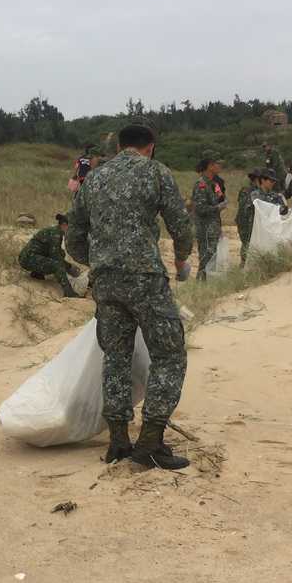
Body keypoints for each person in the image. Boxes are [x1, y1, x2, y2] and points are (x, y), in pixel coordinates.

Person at [66, 120, 193, 470]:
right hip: (146, 279)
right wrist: (182, 256)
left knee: (116, 358)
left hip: (106, 283)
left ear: (120, 145)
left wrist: (98, 261)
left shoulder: (94, 179)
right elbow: (181, 224)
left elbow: (73, 238)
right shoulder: (155, 172)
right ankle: (150, 442)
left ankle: (118, 441)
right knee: (169, 356)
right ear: (149, 146)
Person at [19, 214, 81, 297]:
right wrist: (69, 267)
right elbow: (55, 257)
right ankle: (69, 292)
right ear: (64, 225)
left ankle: (37, 274)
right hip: (28, 259)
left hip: (27, 257)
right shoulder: (55, 234)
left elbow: (56, 253)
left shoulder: (55, 231)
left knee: (61, 253)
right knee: (57, 265)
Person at [191, 150, 227, 278]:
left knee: (212, 260)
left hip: (213, 228)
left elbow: (220, 198)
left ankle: (207, 287)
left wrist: (222, 203)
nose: (220, 166)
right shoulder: (201, 185)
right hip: (205, 230)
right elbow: (200, 209)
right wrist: (218, 207)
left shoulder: (214, 184)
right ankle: (200, 287)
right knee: (206, 260)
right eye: (218, 164)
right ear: (210, 166)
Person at [235, 170, 261, 266]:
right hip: (246, 222)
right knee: (247, 244)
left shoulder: (250, 190)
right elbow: (245, 208)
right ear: (257, 179)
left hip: (245, 221)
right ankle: (244, 265)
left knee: (247, 244)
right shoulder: (248, 191)